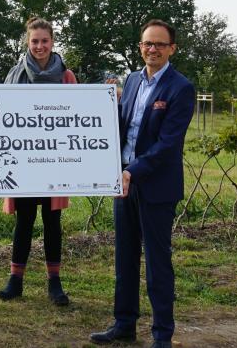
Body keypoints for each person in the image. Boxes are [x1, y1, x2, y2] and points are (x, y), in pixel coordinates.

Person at [89, 19, 195, 348]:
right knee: (125, 258)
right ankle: (124, 324)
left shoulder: (181, 88)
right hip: (122, 182)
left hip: (155, 186)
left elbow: (167, 145)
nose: (153, 49)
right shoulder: (132, 81)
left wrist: (132, 170)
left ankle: (162, 334)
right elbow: (120, 127)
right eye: (147, 44)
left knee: (157, 262)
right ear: (140, 47)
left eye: (160, 44)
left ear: (172, 49)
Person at [0, 17, 76, 306]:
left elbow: (76, 119)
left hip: (55, 161)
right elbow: (4, 116)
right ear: (27, 43)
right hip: (23, 161)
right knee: (25, 220)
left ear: (52, 42)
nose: (40, 46)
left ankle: (54, 282)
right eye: (34, 41)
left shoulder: (67, 77)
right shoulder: (14, 74)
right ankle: (15, 280)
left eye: (44, 41)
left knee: (53, 221)